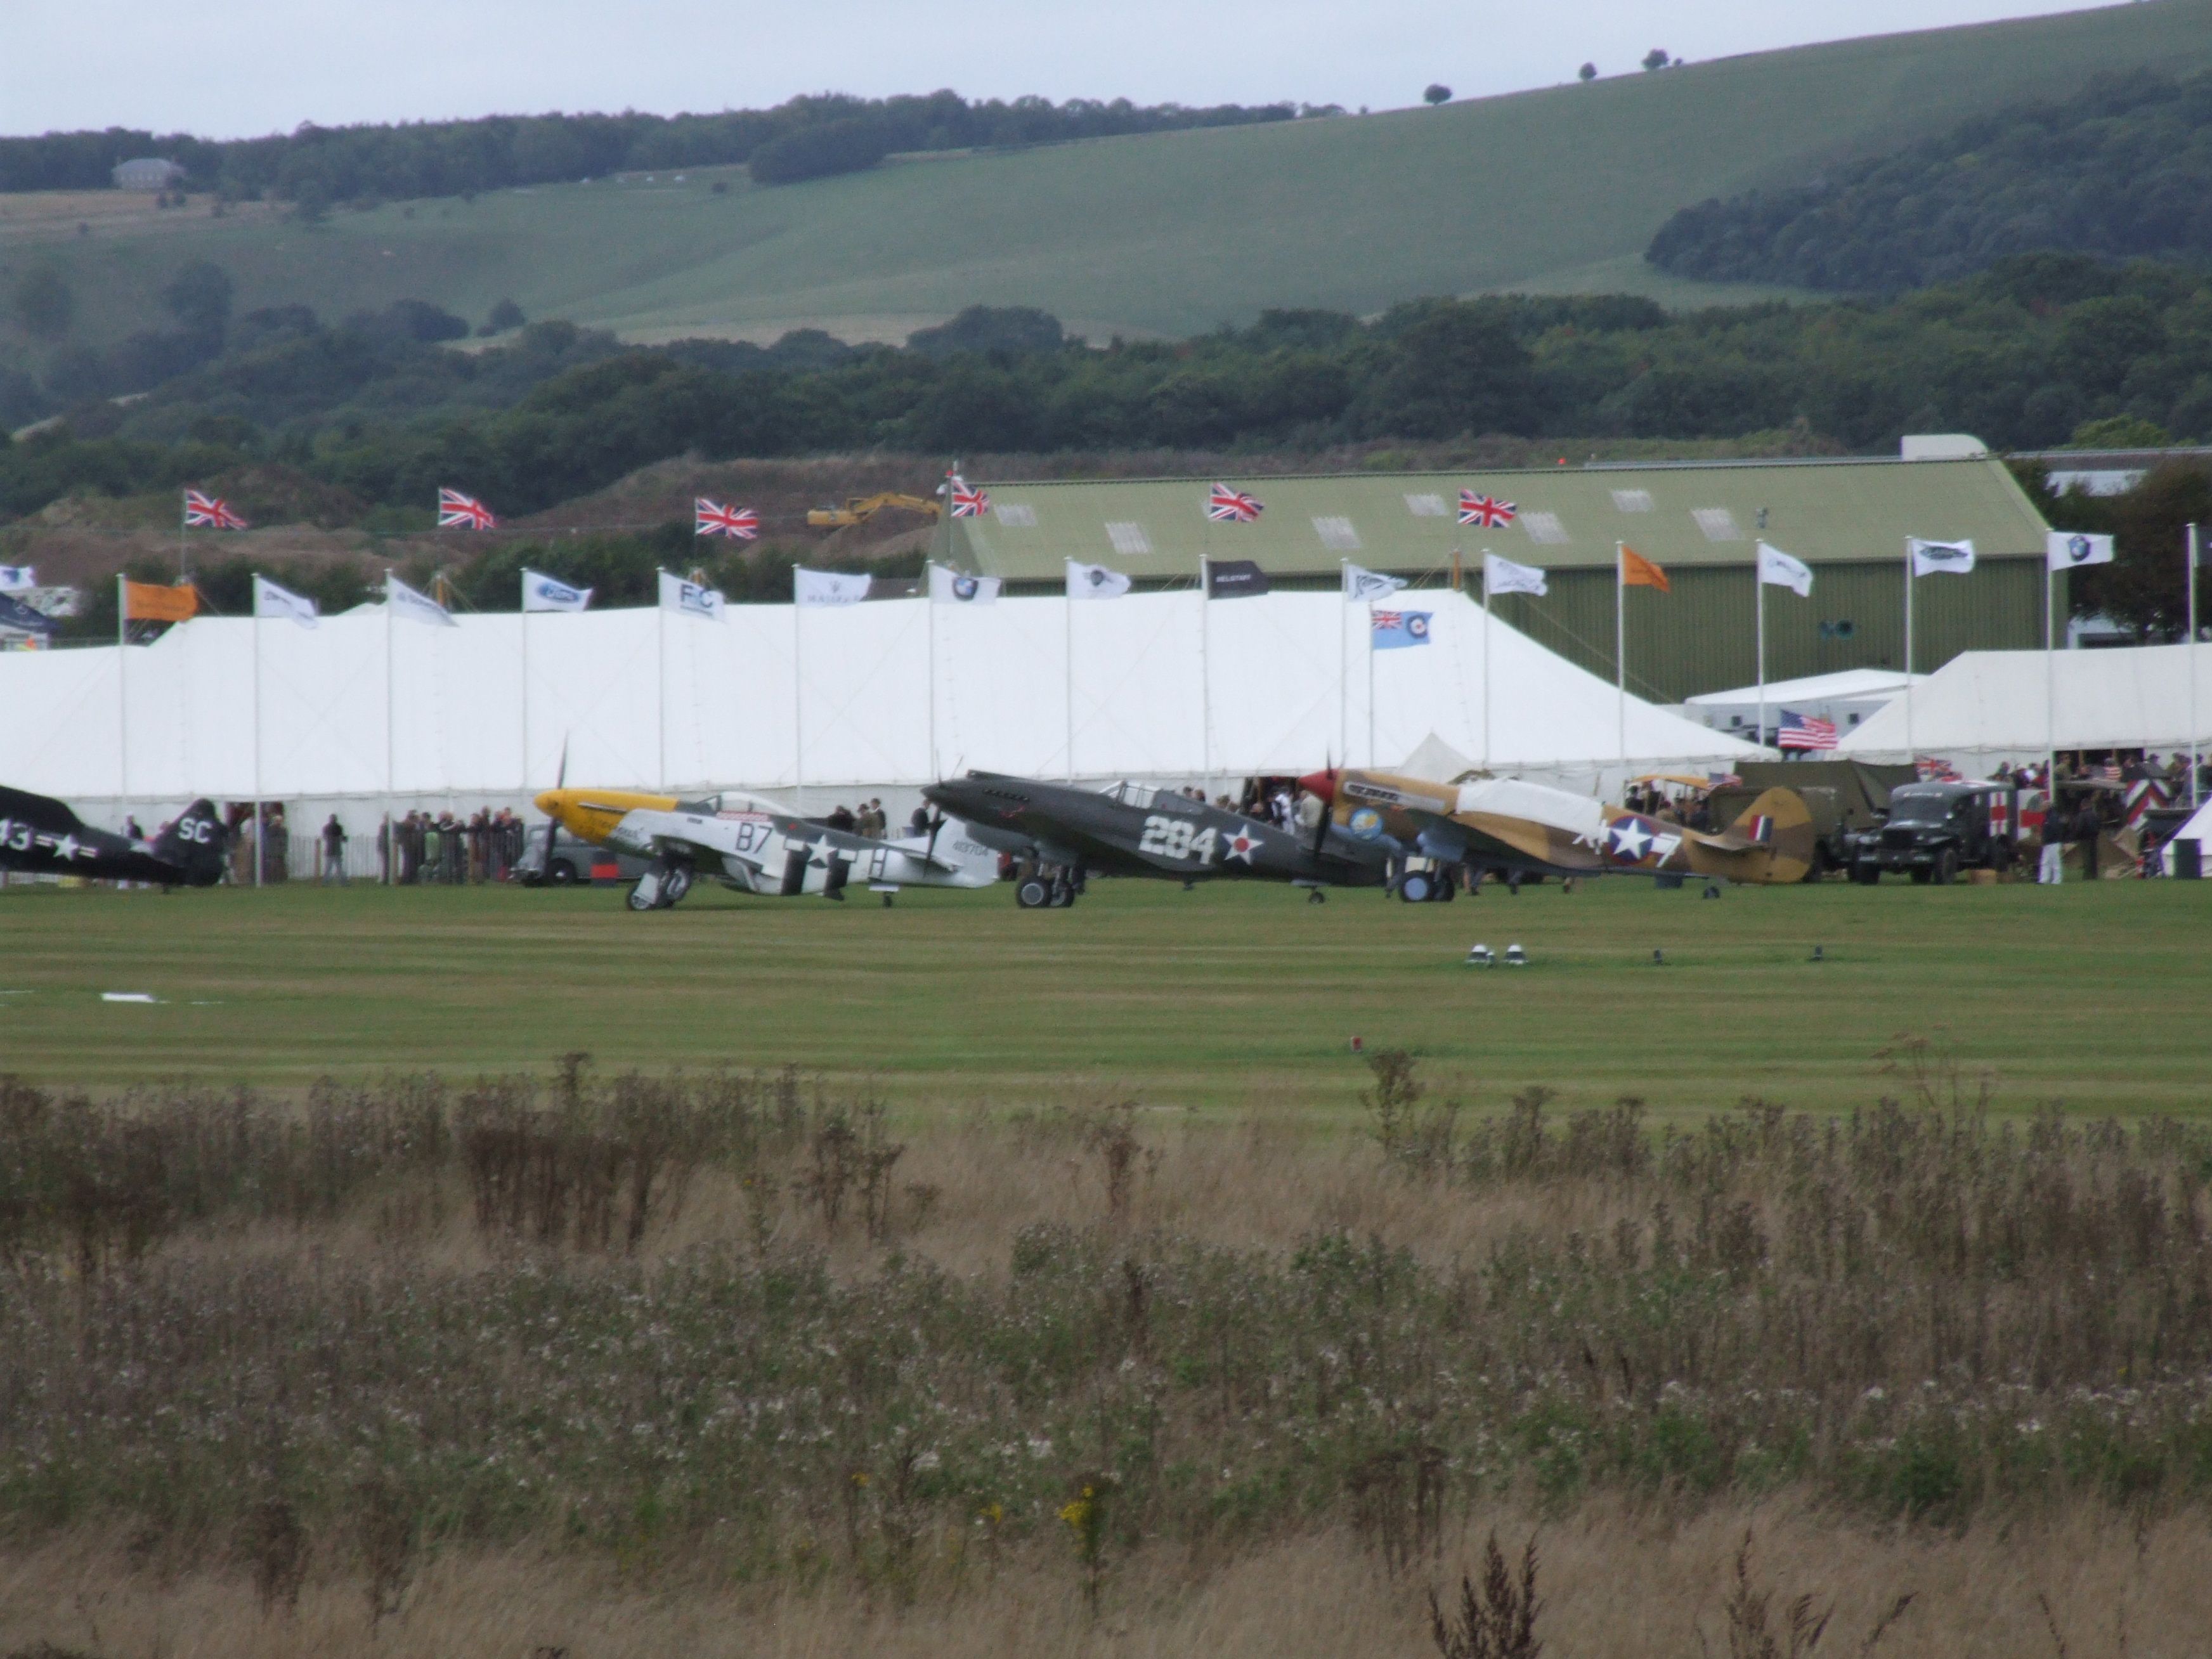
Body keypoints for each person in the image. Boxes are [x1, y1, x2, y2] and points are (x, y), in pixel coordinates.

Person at [2037, 794, 2064, 885]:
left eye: (2043, 806)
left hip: (2053, 843)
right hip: (2048, 843)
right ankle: (2044, 879)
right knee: (2045, 862)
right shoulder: (2048, 817)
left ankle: (2057, 880)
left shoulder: (2053, 817)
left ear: (2048, 807)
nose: (2041, 808)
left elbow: (2055, 829)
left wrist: (2050, 838)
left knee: (2055, 862)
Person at [320, 814, 348, 883]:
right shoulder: (339, 827)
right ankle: (343, 881)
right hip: (337, 850)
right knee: (339, 867)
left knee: (328, 867)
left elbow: (324, 837)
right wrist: (344, 838)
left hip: (329, 850)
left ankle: (326, 881)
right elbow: (342, 838)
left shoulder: (326, 828)